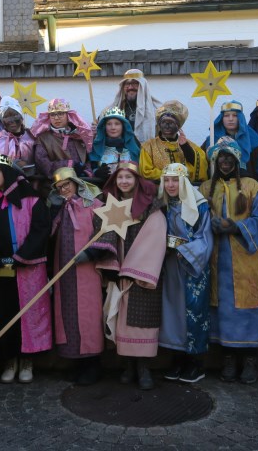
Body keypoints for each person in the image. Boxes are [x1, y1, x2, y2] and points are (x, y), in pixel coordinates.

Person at [199, 137, 258, 384]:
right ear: (215, 161)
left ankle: (250, 359)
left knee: (247, 306)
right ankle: (228, 358)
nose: (226, 162)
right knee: (222, 308)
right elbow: (196, 220)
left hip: (245, 258)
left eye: (230, 158)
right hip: (217, 259)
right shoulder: (206, 187)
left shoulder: (252, 186)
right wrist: (210, 222)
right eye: (221, 158)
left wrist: (235, 227)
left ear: (237, 159)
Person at [90, 161, 164, 390]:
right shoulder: (109, 206)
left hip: (142, 273)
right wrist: (110, 262)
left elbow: (156, 235)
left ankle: (143, 368)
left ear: (137, 180)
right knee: (121, 320)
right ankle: (128, 366)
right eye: (120, 178)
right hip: (118, 270)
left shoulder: (151, 207)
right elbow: (101, 233)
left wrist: (134, 268)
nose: (124, 182)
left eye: (128, 178)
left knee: (142, 321)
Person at [0, 155, 52, 384]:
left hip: (27, 268)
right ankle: (9, 360)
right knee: (4, 313)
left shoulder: (32, 200)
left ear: (8, 173)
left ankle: (27, 359)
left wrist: (21, 256)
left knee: (28, 315)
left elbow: (41, 230)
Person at [47, 167, 107, 386]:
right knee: (69, 315)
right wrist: (53, 209)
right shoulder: (59, 209)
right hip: (64, 272)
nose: (64, 190)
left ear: (77, 184)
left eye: (67, 185)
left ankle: (93, 364)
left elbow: (107, 231)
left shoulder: (94, 206)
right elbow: (49, 235)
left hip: (87, 271)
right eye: (60, 187)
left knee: (88, 315)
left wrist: (92, 252)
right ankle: (77, 362)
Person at [157, 163, 213, 384]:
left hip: (192, 266)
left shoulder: (199, 206)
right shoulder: (163, 205)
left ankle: (195, 363)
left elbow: (205, 238)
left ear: (184, 182)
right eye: (167, 180)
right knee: (172, 312)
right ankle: (177, 358)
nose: (170, 185)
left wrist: (185, 251)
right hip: (170, 266)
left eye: (175, 180)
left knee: (194, 311)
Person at [139, 100, 208, 183]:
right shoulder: (148, 146)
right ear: (159, 125)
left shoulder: (188, 144)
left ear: (178, 126)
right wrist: (172, 175)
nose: (167, 126)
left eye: (171, 123)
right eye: (164, 122)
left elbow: (200, 164)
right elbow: (146, 172)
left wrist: (185, 147)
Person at [202, 100, 258, 181]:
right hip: (217, 186)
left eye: (235, 115)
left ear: (240, 118)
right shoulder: (212, 139)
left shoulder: (254, 141)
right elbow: (202, 164)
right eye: (226, 115)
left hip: (246, 188)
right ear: (221, 118)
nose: (230, 119)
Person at [31, 98, 94, 180]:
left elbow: (87, 160)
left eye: (60, 114)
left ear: (68, 115)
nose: (56, 118)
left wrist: (85, 172)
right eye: (53, 115)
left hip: (82, 182)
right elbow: (42, 164)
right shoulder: (42, 139)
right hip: (55, 184)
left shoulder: (78, 136)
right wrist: (70, 165)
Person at [102, 68, 162, 143]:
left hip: (147, 152)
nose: (130, 87)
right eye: (127, 84)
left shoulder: (157, 110)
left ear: (143, 86)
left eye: (135, 83)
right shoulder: (113, 109)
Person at [88, 107, 141, 184]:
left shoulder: (134, 146)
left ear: (123, 126)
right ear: (104, 127)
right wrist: (96, 172)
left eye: (117, 124)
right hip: (104, 190)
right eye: (109, 124)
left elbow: (140, 170)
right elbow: (90, 168)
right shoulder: (96, 146)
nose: (113, 127)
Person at [0, 96, 36, 170]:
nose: (11, 121)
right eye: (6, 117)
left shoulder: (32, 138)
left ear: (21, 117)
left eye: (15, 115)